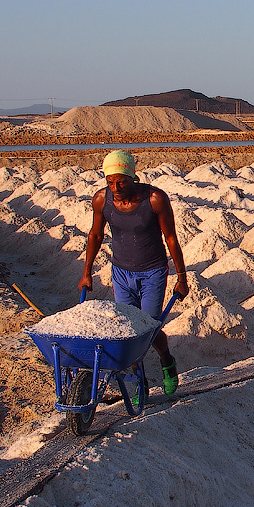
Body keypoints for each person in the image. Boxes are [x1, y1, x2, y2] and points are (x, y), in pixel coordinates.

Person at [80, 150, 189, 398]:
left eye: (121, 182)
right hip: (121, 273)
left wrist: (182, 278)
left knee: (148, 329)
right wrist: (86, 273)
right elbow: (95, 235)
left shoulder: (154, 199)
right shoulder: (101, 200)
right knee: (128, 331)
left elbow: (170, 238)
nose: (116, 188)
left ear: (133, 177)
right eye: (110, 182)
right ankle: (140, 382)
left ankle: (167, 361)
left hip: (152, 272)